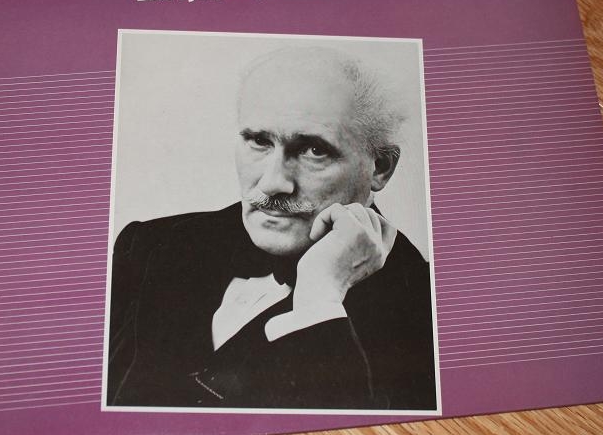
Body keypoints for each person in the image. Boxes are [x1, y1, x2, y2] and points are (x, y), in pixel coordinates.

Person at [107, 45, 436, 410]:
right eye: (260, 141)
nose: (273, 183)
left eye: (314, 150)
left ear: (380, 168)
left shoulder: (426, 315)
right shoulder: (148, 245)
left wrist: (318, 304)